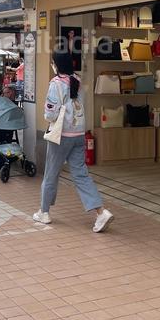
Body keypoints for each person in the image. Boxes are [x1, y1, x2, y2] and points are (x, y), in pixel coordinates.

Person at [34, 50, 113, 233]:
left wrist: (50, 115)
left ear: (56, 64)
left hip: (60, 136)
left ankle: (44, 212)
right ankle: (100, 212)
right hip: (78, 134)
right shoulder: (77, 80)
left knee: (51, 174)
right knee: (81, 175)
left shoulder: (55, 83)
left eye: (52, 62)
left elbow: (50, 113)